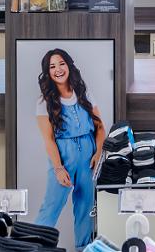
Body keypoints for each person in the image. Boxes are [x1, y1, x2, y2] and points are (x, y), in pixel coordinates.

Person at [34, 49, 106, 249]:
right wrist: (58, 168)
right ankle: (31, 246)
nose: (58, 69)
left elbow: (100, 128)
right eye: (52, 66)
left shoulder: (83, 93)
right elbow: (48, 140)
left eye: (61, 63)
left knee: (86, 209)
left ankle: (84, 248)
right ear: (48, 73)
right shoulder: (45, 101)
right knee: (51, 207)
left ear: (69, 65)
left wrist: (98, 153)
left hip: (88, 157)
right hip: (63, 157)